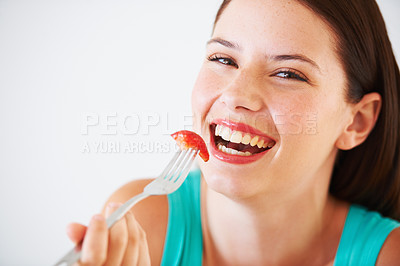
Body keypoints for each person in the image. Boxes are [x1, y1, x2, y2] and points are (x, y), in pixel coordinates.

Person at [66, 0, 400, 265]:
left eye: (288, 73)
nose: (236, 95)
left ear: (356, 121)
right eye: (223, 59)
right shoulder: (140, 220)